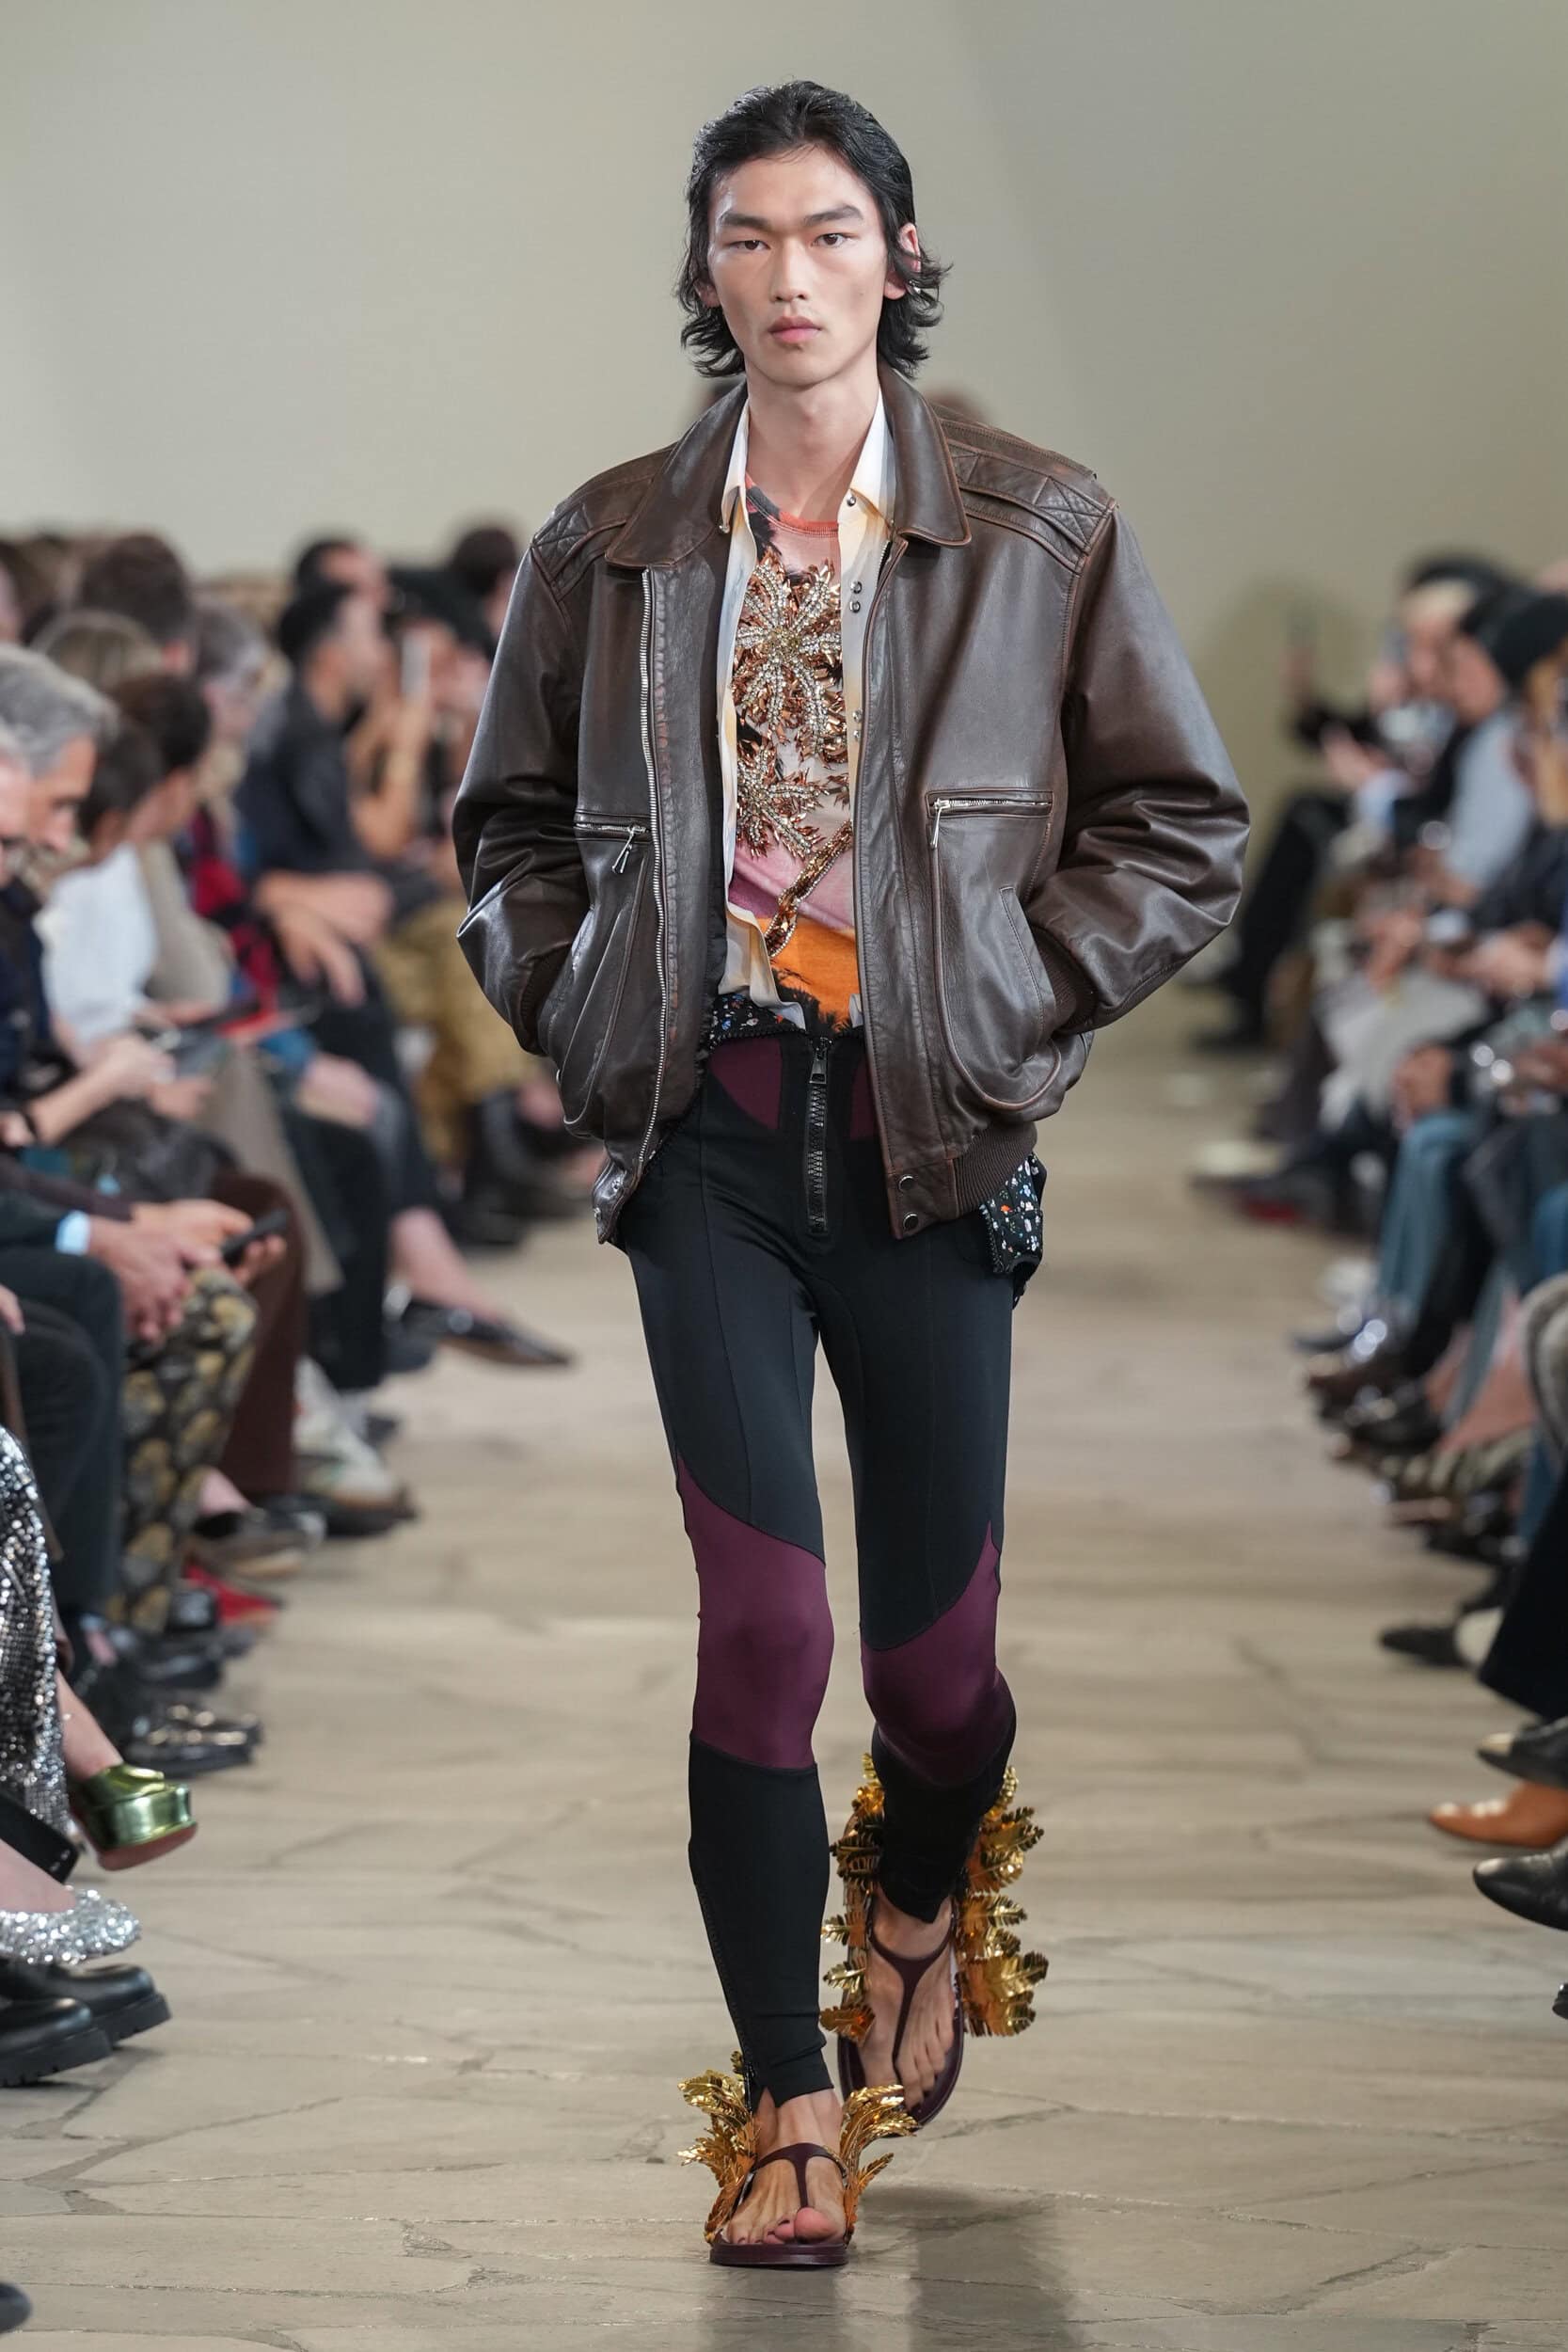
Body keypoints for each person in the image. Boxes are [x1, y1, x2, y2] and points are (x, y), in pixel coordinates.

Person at [456, 80, 1246, 2266]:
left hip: (931, 1138)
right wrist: (579, 1002)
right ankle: (785, 2106)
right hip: (704, 1129)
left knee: (933, 1673)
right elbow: (507, 828)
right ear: (703, 271)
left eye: (827, 234)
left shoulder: (1040, 526)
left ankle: (915, 1888)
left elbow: (1181, 823)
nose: (788, 276)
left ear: (897, 256)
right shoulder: (612, 539)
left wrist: (1006, 1001)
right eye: (747, 237)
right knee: (763, 1622)